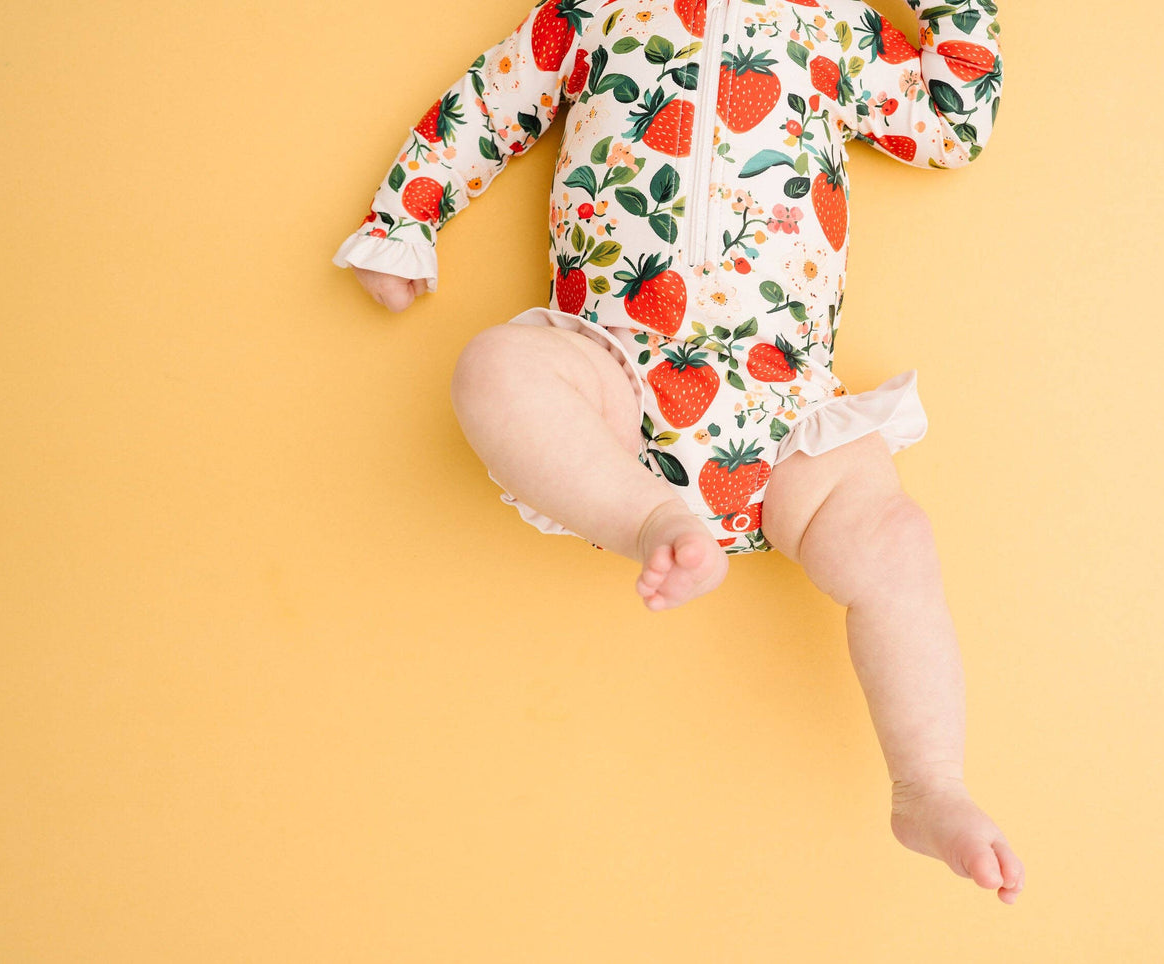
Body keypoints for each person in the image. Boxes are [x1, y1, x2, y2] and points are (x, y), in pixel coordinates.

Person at [333, 0, 1023, 902]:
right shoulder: (591, 14)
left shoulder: (840, 29)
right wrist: (404, 217)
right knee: (496, 366)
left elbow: (950, 124)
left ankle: (928, 782)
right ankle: (648, 515)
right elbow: (490, 104)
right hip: (611, 375)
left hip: (783, 409)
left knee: (892, 541)